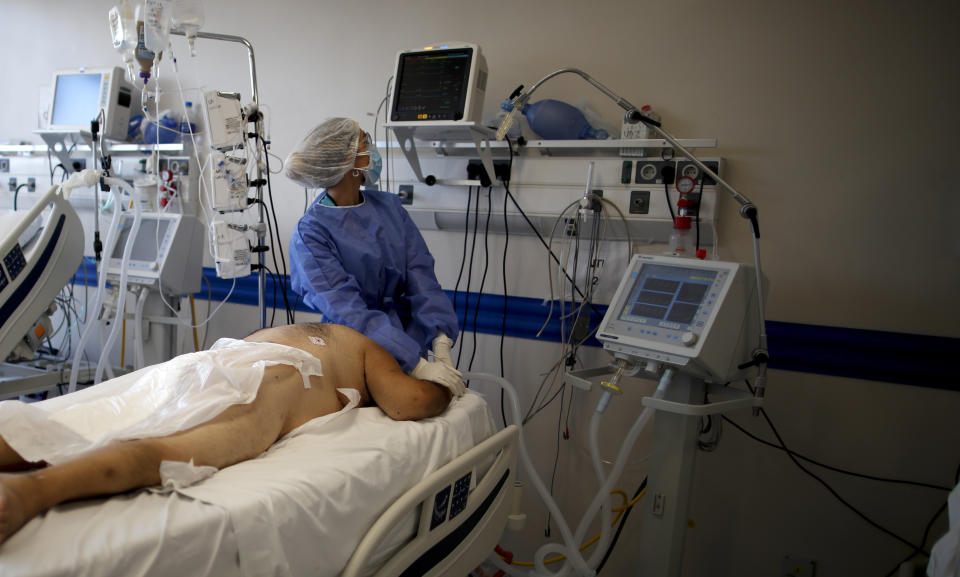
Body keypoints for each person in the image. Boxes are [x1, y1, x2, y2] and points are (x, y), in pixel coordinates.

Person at [0, 322, 453, 545]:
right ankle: (30, 494)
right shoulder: (368, 348)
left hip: (209, 364)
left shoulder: (306, 328)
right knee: (163, 452)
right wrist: (445, 386)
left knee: (93, 422)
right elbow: (408, 401)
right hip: (275, 382)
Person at [285, 118, 463, 395]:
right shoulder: (311, 233)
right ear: (348, 162)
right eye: (366, 143)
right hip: (353, 347)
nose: (373, 150)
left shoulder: (389, 207)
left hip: (407, 337)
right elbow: (348, 310)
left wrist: (440, 339)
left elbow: (421, 274)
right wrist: (416, 365)